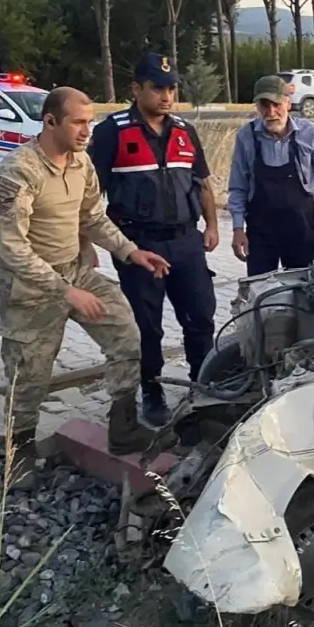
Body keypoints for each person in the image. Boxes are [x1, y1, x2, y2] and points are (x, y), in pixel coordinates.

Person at [0, 87, 172, 483]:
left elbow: (92, 217)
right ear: (50, 121)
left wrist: (131, 252)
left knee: (125, 333)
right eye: (77, 122)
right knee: (30, 375)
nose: (86, 130)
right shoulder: (18, 172)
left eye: (89, 121)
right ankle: (18, 452)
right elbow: (12, 250)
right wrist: (65, 291)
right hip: (29, 286)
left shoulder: (81, 163)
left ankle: (123, 428)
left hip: (74, 270)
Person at [87, 53, 220, 427]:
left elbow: (203, 183)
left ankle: (202, 382)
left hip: (185, 241)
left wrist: (211, 226)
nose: (166, 96)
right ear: (137, 89)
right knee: (146, 325)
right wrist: (87, 244)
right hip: (139, 244)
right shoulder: (112, 131)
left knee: (200, 317)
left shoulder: (184, 130)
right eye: (158, 88)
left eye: (171, 88)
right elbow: (89, 193)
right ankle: (152, 389)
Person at [229, 75, 314, 275]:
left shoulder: (310, 133)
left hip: (301, 230)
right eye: (264, 105)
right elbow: (238, 187)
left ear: (288, 103)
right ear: (257, 107)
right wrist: (237, 229)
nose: (271, 112)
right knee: (260, 289)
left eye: (276, 104)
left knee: (302, 293)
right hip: (260, 232)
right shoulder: (246, 136)